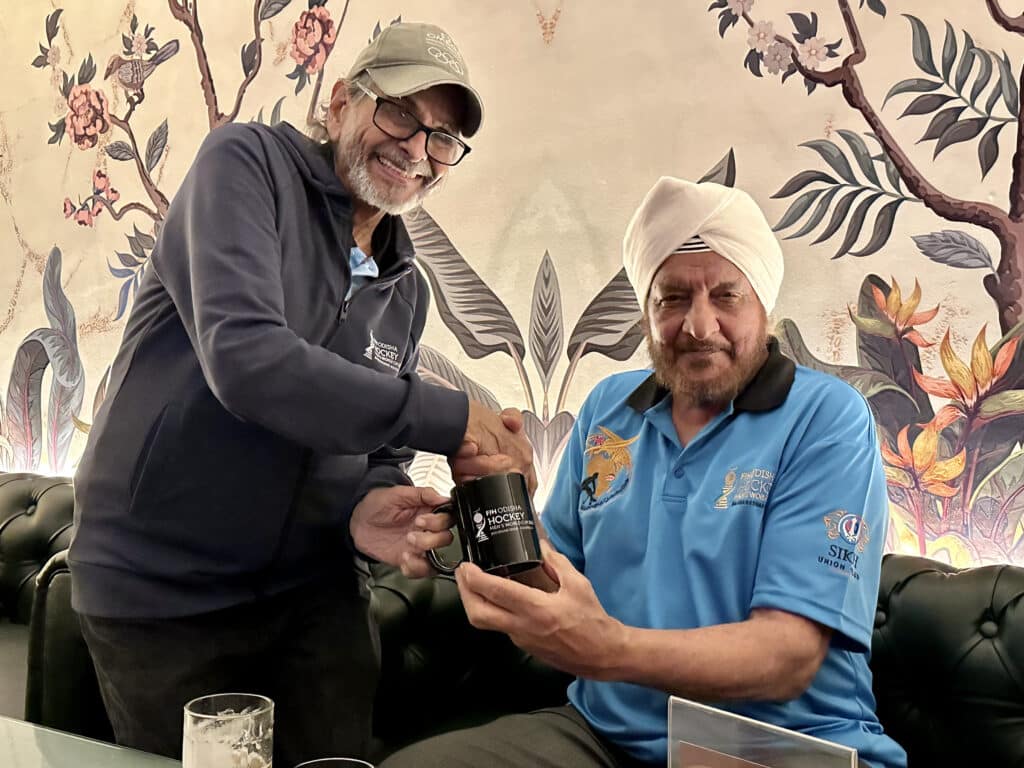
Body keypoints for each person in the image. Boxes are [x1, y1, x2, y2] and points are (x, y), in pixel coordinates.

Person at [68, 21, 533, 767]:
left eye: (443, 136)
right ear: (344, 100)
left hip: (315, 597)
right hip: (161, 591)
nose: (418, 149)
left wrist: (368, 506)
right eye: (401, 114)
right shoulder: (245, 164)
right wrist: (455, 416)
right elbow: (248, 359)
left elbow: (381, 447)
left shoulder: (406, 287)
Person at [380, 178, 908, 768]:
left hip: (776, 747)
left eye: (726, 296)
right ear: (645, 312)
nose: (699, 325)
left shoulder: (826, 418)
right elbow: (553, 582)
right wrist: (504, 501)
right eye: (673, 298)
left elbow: (788, 657)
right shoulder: (608, 409)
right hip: (604, 734)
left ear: (765, 306)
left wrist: (610, 650)